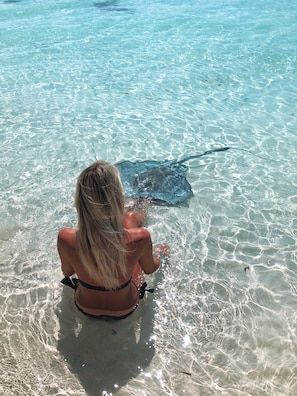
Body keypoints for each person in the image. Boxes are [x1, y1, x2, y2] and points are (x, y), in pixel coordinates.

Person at [57, 160, 169, 319]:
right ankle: (143, 202)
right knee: (131, 221)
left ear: (80, 201)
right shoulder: (141, 237)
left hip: (84, 305)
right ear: (117, 199)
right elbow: (150, 269)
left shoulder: (65, 237)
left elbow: (68, 272)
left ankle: (139, 205)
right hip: (125, 307)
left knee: (129, 221)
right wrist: (159, 255)